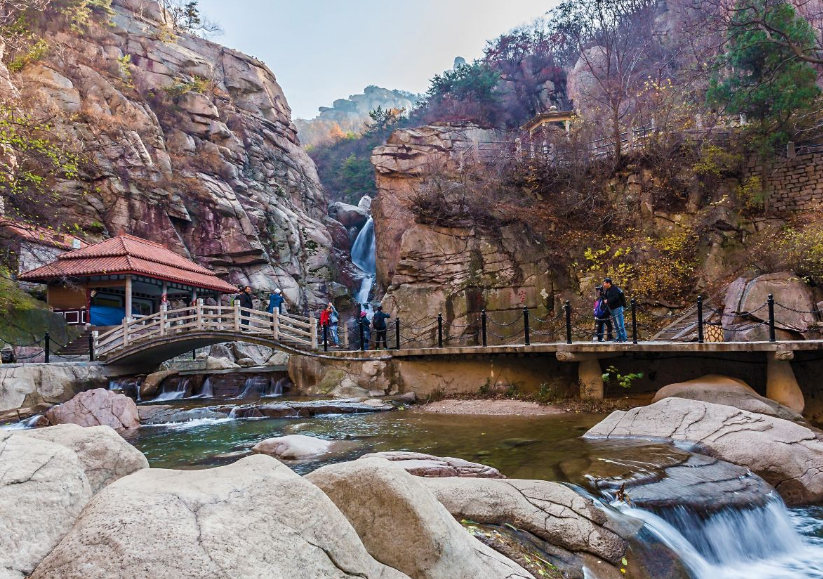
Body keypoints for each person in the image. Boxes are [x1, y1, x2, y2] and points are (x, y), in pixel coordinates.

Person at [602, 277, 628, 342]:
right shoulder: (607, 290)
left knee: (620, 324)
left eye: (605, 283)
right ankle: (619, 337)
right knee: (616, 324)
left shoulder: (614, 289)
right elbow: (605, 296)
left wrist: (608, 300)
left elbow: (616, 298)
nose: (604, 284)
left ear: (608, 283)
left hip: (617, 308)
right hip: (611, 308)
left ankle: (623, 338)